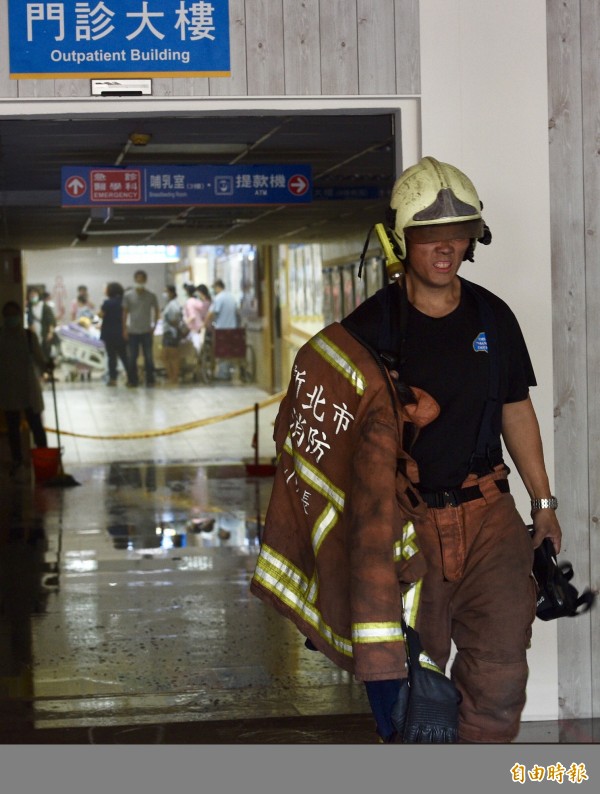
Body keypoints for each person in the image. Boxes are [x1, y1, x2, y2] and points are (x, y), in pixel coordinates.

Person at [250, 156, 562, 744]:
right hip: (406, 523)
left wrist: (543, 504)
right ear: (401, 241)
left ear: (474, 239)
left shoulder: (494, 318)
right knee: (415, 694)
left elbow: (514, 407)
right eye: (429, 236)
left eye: (458, 234)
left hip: (489, 515)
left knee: (498, 682)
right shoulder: (366, 332)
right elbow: (333, 440)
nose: (445, 248)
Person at [0, 301, 50, 479]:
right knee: (13, 428)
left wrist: (47, 367)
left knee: (36, 424)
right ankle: (17, 460)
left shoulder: (28, 336)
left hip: (27, 387)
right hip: (7, 388)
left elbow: (39, 359)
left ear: (20, 316)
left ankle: (44, 457)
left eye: (14, 314)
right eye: (8, 315)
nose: (11, 318)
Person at [122, 270, 159, 388]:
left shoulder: (151, 295)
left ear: (145, 280)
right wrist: (124, 328)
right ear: (135, 280)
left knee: (148, 356)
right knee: (132, 356)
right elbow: (125, 312)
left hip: (146, 330)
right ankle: (132, 380)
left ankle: (150, 380)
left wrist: (155, 325)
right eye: (138, 279)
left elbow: (157, 310)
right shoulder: (128, 295)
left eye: (142, 279)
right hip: (132, 331)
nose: (140, 281)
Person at [99, 282, 129, 387]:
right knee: (124, 356)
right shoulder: (125, 302)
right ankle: (131, 377)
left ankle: (113, 379)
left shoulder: (107, 303)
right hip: (122, 332)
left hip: (109, 333)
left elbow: (101, 315)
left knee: (112, 357)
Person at [161, 285, 184, 386]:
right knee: (166, 356)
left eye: (166, 292)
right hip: (168, 332)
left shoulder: (173, 305)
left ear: (171, 292)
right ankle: (171, 377)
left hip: (171, 333)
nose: (165, 294)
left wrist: (172, 324)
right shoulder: (170, 304)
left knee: (172, 356)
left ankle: (174, 377)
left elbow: (175, 319)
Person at [26, 286, 56, 361]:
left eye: (34, 294)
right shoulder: (29, 308)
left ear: (38, 295)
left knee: (44, 354)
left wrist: (50, 332)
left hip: (44, 334)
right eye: (31, 295)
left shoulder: (45, 307)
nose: (32, 296)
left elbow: (51, 320)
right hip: (34, 334)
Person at [182, 283, 210, 353]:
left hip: (194, 330)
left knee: (196, 350)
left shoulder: (189, 302)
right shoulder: (199, 302)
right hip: (201, 328)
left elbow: (192, 316)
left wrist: (185, 324)